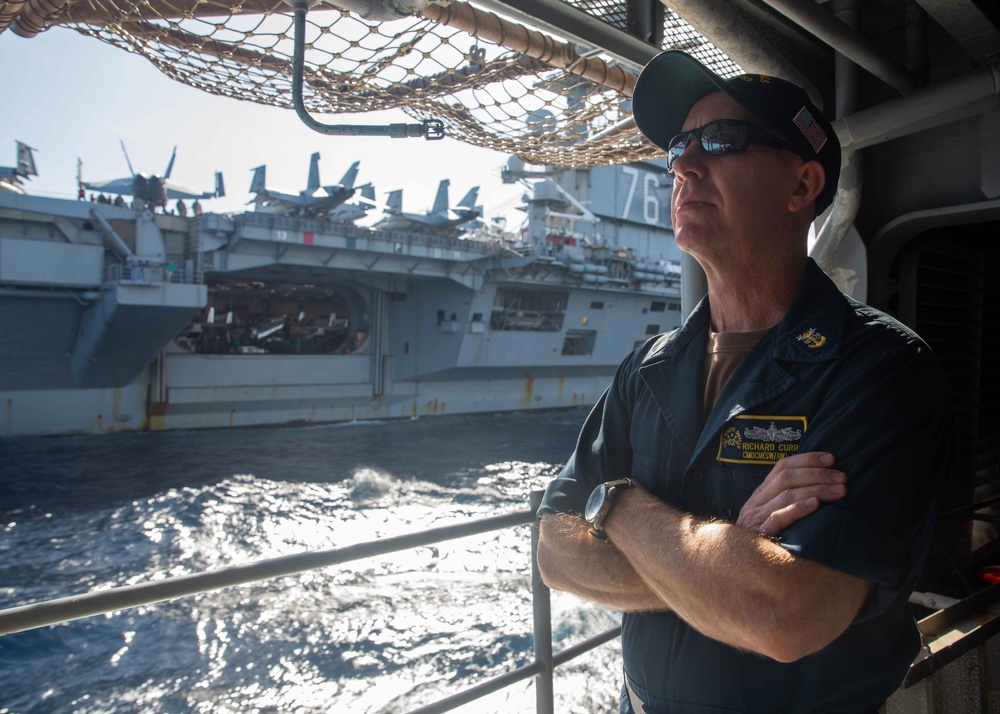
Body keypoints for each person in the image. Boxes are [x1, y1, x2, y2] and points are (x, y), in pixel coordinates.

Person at [536, 50, 952, 714]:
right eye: (680, 145)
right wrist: (732, 542)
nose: (684, 164)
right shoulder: (647, 370)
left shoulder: (881, 369)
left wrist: (618, 505)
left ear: (802, 185)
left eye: (722, 141)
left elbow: (784, 616)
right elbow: (555, 552)